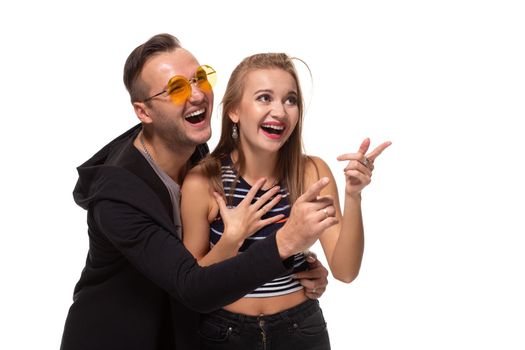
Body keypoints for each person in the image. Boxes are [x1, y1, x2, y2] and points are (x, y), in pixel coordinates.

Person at [60, 34, 336, 350]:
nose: (197, 94)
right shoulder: (117, 197)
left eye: (200, 78)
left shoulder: (194, 152)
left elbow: (209, 254)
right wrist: (284, 245)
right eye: (176, 88)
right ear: (144, 112)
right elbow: (193, 284)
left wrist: (297, 263)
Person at [181, 53, 391, 349]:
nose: (280, 111)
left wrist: (353, 195)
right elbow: (192, 289)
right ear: (234, 111)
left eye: (290, 100)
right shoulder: (203, 181)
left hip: (300, 329)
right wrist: (232, 238)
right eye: (264, 98)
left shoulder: (311, 172)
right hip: (223, 333)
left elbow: (345, 271)